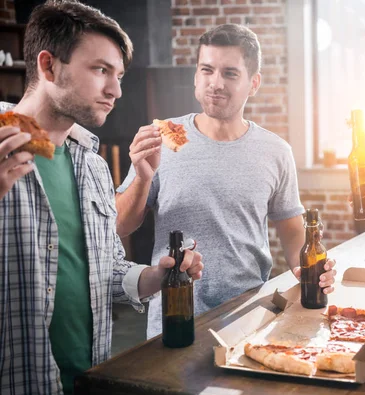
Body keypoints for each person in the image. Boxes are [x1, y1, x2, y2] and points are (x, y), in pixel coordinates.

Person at [0, 2, 203, 395]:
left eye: (119, 75)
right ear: (49, 66)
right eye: (100, 70)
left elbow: (104, 272)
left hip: (90, 383)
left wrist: (156, 278)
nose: (116, 90)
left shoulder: (91, 166)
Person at [115, 24, 336, 339]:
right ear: (196, 76)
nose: (215, 83)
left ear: (253, 83)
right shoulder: (162, 136)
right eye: (207, 70)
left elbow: (293, 235)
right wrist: (141, 176)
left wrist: (314, 269)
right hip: (174, 318)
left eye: (230, 73)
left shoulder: (276, 151)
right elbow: (120, 226)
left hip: (249, 319)